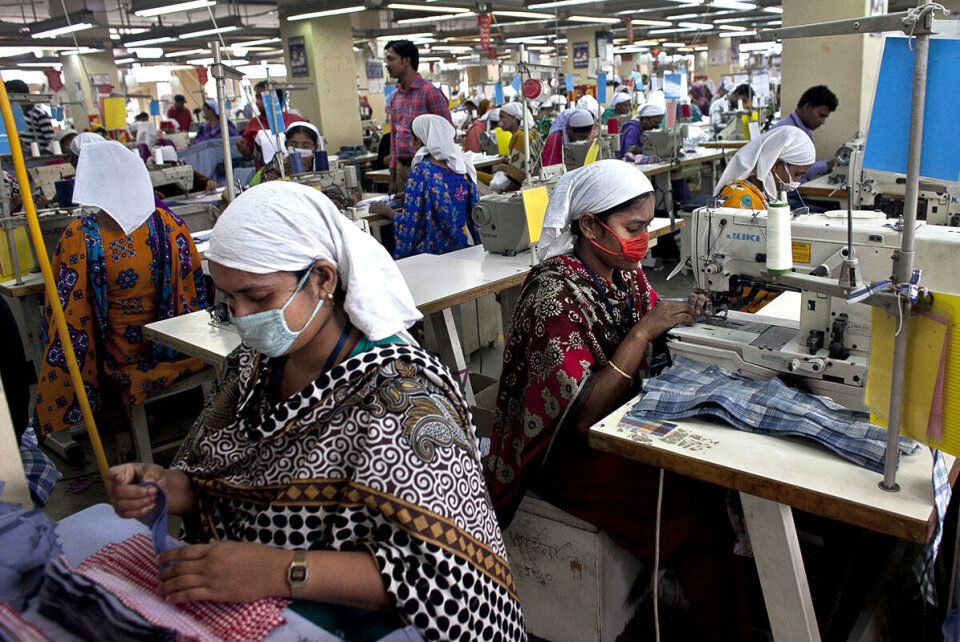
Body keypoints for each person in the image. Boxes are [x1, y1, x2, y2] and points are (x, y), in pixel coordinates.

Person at [106, 182, 526, 641]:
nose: (241, 316)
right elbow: (222, 477)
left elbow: (449, 578)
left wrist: (279, 570)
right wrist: (173, 488)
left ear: (323, 279)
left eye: (258, 298)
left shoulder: (400, 399)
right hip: (250, 592)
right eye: (227, 300)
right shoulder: (253, 365)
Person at [484, 159, 748, 639]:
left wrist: (687, 312)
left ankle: (719, 602)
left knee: (712, 482)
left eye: (646, 226)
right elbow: (582, 417)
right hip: (562, 454)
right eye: (634, 228)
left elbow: (655, 325)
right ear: (589, 225)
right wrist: (644, 332)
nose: (644, 240)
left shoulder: (623, 275)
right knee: (694, 516)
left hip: (615, 427)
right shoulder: (552, 296)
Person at [33, 139, 208, 435]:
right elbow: (197, 291)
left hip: (119, 365)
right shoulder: (170, 225)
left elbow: (64, 313)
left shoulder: (79, 238)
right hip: (179, 352)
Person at [368, 114, 479, 259]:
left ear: (419, 140)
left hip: (432, 254)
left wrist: (388, 211)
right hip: (460, 247)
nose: (411, 142)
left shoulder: (422, 171)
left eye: (412, 138)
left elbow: (410, 224)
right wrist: (410, 194)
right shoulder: (462, 168)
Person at [383, 40, 452, 198]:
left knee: (425, 211)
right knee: (403, 210)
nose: (387, 64)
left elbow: (447, 134)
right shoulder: (395, 97)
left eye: (391, 59)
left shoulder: (430, 93)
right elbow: (394, 139)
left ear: (406, 60)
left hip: (426, 168)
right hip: (402, 168)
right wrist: (392, 176)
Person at [714, 126, 815, 210]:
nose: (798, 181)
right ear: (776, 165)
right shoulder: (739, 196)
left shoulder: (763, 193)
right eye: (797, 174)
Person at [770, 84, 839, 182]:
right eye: (821, 116)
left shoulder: (803, 129)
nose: (823, 122)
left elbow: (805, 162)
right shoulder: (787, 131)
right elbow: (797, 169)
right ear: (807, 107)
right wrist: (827, 165)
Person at [237, 81, 306, 161]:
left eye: (262, 97)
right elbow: (248, 153)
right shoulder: (253, 124)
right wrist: (242, 148)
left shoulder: (296, 121)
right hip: (264, 168)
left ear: (276, 98)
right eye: (257, 97)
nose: (258, 101)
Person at [483, 101, 542, 192]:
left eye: (502, 117)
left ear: (514, 118)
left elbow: (519, 173)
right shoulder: (528, 132)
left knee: (476, 176)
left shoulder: (521, 135)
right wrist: (506, 162)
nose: (499, 121)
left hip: (526, 186)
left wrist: (502, 167)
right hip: (534, 182)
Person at [5, 80, 54, 153]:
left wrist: (41, 153)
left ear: (15, 94)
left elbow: (52, 141)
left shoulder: (38, 114)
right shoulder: (14, 115)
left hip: (39, 156)